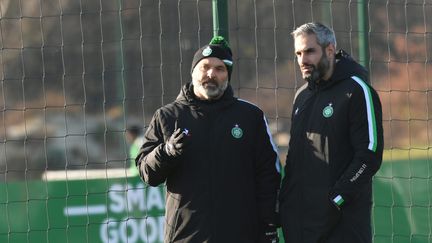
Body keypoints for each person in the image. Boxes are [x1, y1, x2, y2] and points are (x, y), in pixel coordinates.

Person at [135, 36, 281, 243]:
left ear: (228, 76)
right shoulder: (167, 116)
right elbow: (147, 173)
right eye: (204, 67)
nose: (211, 74)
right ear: (193, 72)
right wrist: (166, 152)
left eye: (220, 69)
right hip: (186, 236)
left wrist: (268, 224)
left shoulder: (250, 116)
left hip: (241, 234)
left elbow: (269, 175)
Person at [279, 22, 383, 243]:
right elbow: (294, 157)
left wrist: (337, 198)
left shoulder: (356, 90)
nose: (303, 60)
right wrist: (286, 202)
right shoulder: (301, 96)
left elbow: (370, 154)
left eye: (309, 51)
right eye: (298, 53)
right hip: (301, 226)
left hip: (342, 226)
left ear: (329, 50)